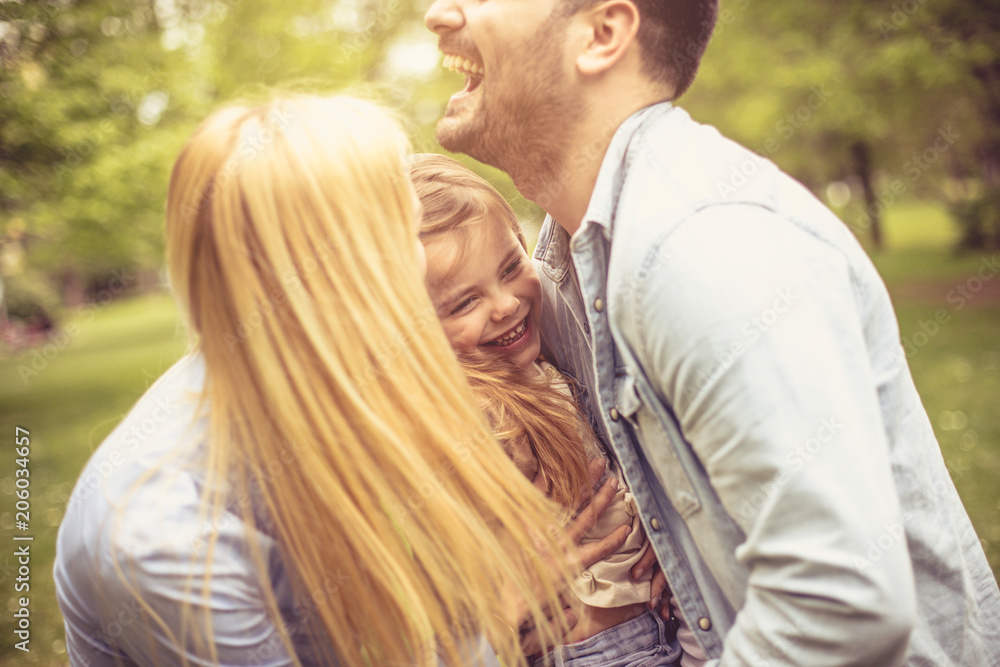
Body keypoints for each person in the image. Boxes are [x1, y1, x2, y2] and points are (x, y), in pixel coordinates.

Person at [423, 1, 1000, 665]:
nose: (441, 12)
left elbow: (839, 607)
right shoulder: (573, 264)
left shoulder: (700, 246)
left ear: (602, 35)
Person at [53, 94, 623, 667]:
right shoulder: (169, 543)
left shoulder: (352, 371)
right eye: (398, 224)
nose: (420, 249)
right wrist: (494, 623)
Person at [411, 153, 692, 666]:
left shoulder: (528, 375)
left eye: (511, 267)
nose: (504, 305)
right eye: (462, 303)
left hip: (631, 630)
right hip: (603, 648)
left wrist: (646, 525)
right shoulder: (482, 413)